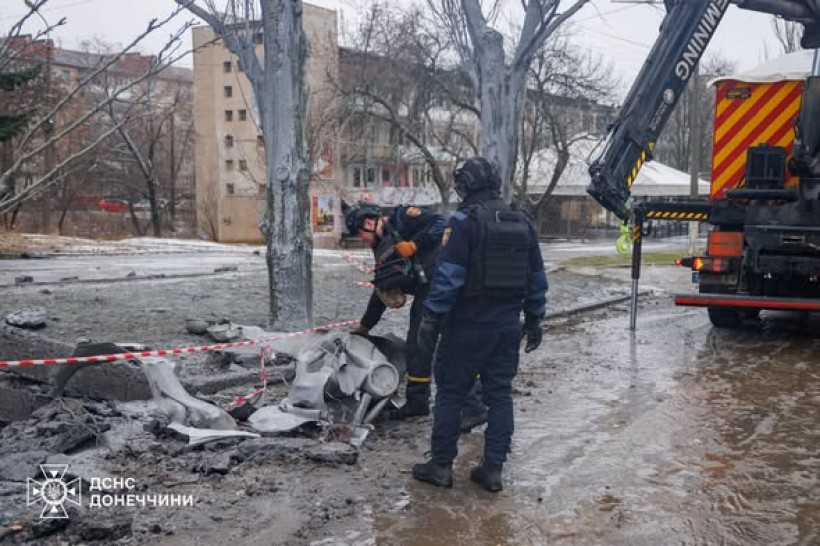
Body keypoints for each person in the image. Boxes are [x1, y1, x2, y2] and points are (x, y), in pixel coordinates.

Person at [411, 156, 548, 492]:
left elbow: (449, 278)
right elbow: (536, 278)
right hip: (507, 328)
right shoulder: (523, 222)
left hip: (467, 327)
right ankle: (492, 470)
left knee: (450, 393)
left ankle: (441, 465)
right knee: (499, 395)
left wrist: (430, 319)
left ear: (467, 185)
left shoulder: (463, 222)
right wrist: (534, 319)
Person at [344, 202, 460, 420]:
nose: (362, 239)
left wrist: (414, 244)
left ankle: (422, 401)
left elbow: (440, 223)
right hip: (428, 288)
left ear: (369, 223)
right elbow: (382, 288)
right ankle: (422, 400)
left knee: (421, 340)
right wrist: (364, 327)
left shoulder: (403, 217)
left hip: (440, 281)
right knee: (420, 342)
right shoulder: (382, 249)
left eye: (360, 234)